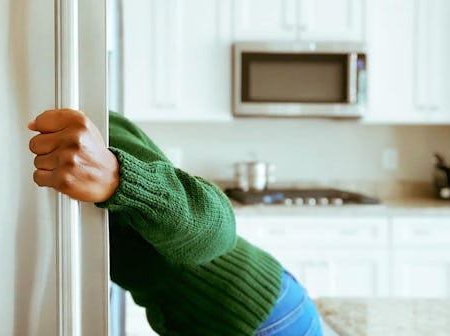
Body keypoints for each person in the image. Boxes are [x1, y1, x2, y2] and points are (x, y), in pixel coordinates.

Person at [28, 109, 323, 336]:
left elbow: (219, 230)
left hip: (259, 314)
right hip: (211, 317)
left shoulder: (90, 127)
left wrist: (120, 179)